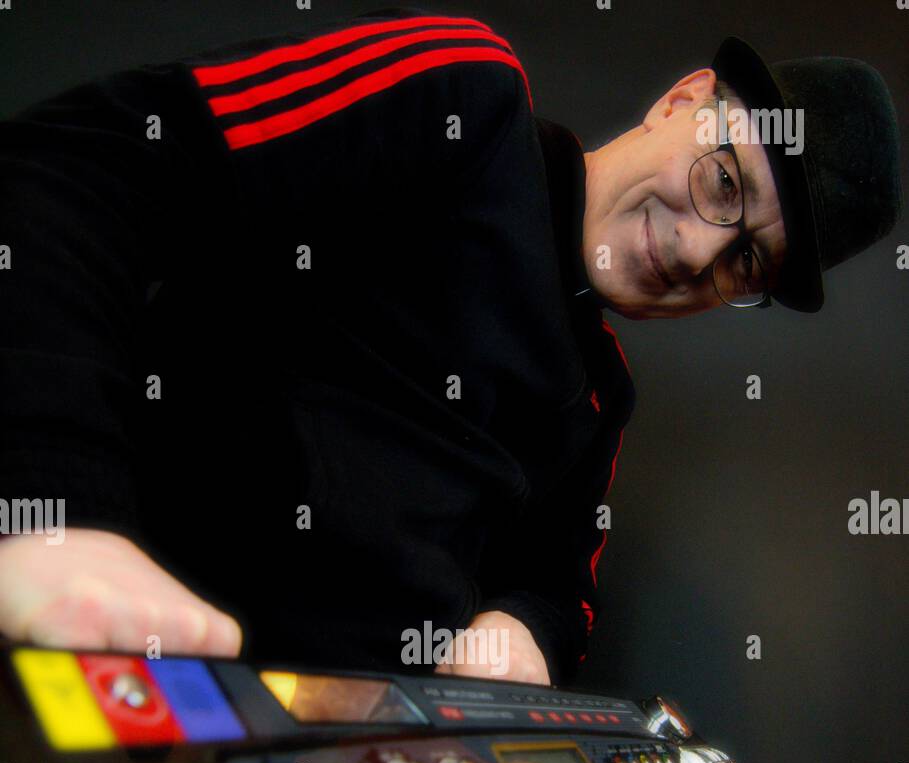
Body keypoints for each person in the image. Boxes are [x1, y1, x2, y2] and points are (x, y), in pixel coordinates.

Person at [0, 9, 900, 685]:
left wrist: (522, 627)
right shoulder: (467, 100)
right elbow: (74, 169)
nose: (700, 252)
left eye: (746, 262)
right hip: (116, 655)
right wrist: (62, 511)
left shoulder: (600, 399)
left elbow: (561, 592)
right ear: (682, 101)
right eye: (722, 181)